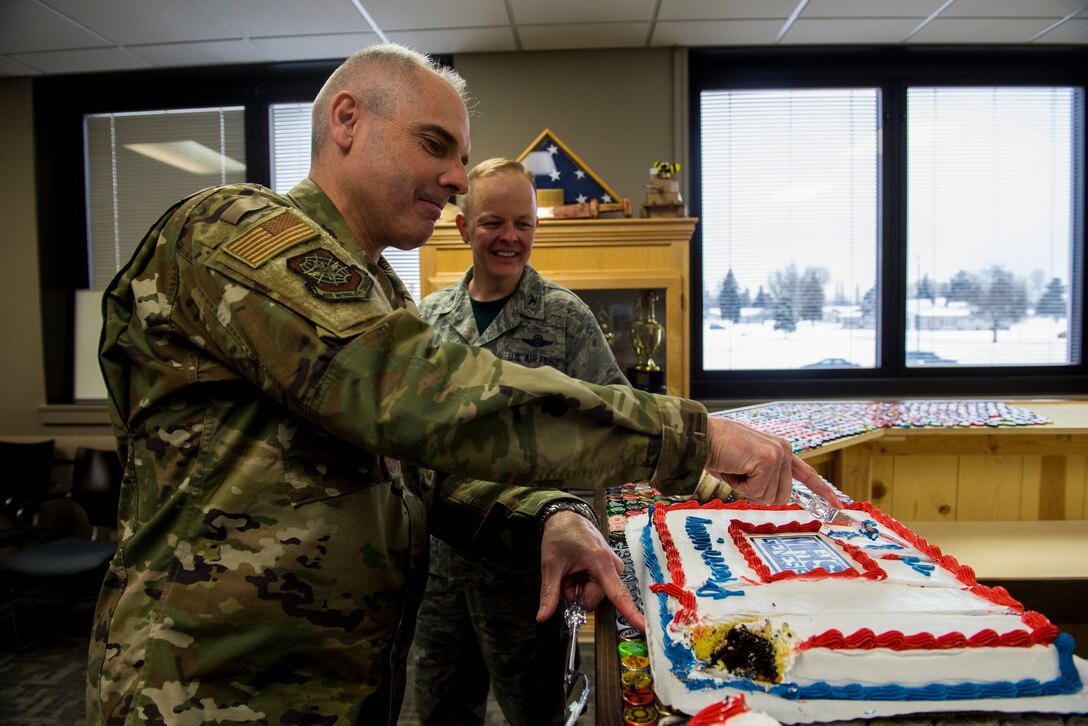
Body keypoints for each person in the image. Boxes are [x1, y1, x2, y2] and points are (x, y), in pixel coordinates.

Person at [87, 43, 840, 724]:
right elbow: (414, 392)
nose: (455, 179)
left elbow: (418, 474)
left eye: (461, 156)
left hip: (339, 692)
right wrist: (694, 435)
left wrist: (546, 517)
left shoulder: (377, 291)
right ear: (346, 120)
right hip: (202, 694)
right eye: (433, 144)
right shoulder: (232, 230)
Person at [413, 158, 628, 725]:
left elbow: (613, 427)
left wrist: (590, 536)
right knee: (439, 710)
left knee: (538, 715)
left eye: (524, 224)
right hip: (440, 571)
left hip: (531, 576)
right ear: (462, 227)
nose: (510, 238)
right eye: (492, 222)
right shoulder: (427, 320)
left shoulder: (565, 320)